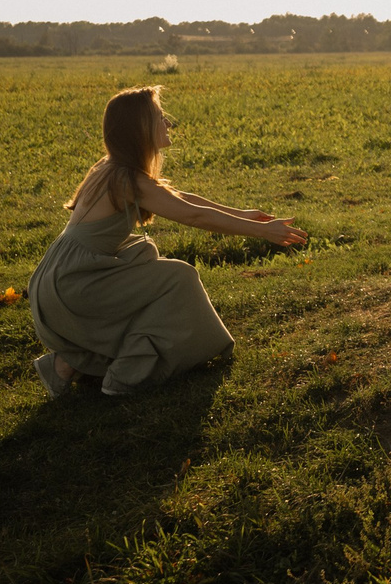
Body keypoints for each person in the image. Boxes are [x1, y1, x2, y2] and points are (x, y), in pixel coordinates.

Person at [28, 84, 304, 398]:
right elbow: (193, 216)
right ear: (140, 128)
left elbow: (178, 198)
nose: (169, 124)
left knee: (142, 255)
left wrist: (241, 213)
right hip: (73, 283)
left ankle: (64, 367)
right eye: (161, 117)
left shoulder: (110, 168)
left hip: (57, 275)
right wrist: (264, 232)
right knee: (178, 278)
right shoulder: (125, 178)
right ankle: (125, 377)